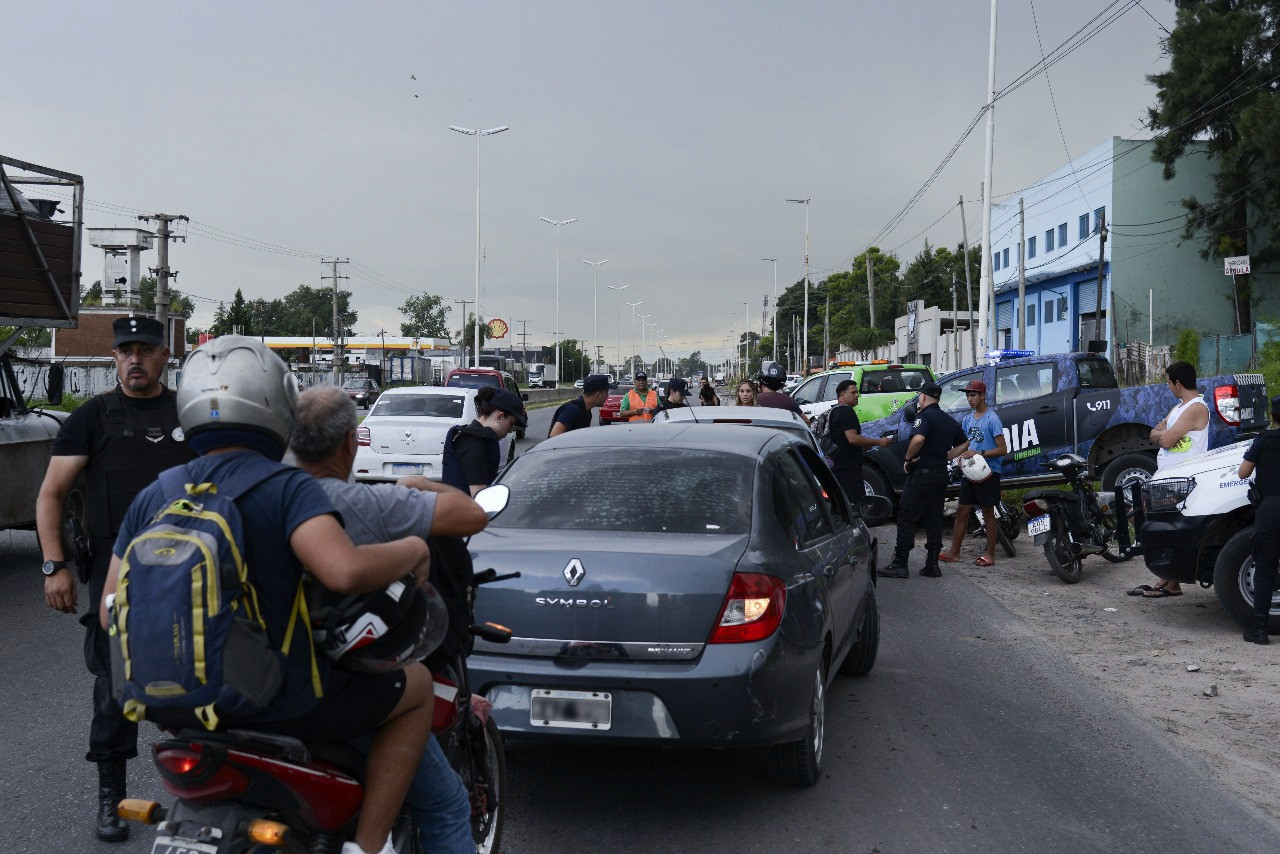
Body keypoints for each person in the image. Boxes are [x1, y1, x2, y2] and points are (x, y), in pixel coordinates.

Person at [98, 336, 434, 854]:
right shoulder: (286, 487)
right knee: (418, 687)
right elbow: (343, 570)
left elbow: (109, 611)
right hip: (278, 699)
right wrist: (413, 548)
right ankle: (368, 846)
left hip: (173, 705)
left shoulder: (157, 492)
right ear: (277, 407)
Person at [292, 385, 489, 852]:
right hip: (340, 688)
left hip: (260, 682)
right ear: (351, 442)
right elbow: (471, 515)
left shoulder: (264, 497)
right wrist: (419, 486)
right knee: (446, 804)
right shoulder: (369, 504)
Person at [35, 316, 197, 842]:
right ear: (114, 357)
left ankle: (207, 796)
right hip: (115, 571)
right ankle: (113, 799)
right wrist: (55, 565)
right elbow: (51, 493)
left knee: (201, 676)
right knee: (113, 688)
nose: (135, 360)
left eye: (145, 350)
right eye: (125, 351)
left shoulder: (190, 414)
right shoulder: (93, 416)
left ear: (164, 356)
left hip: (189, 569)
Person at [1133, 360, 1210, 599]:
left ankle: (1173, 583)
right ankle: (1166, 578)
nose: (1167, 387)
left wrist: (1164, 434)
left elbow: (1164, 440)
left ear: (1178, 383)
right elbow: (1153, 434)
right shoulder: (1179, 408)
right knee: (1161, 527)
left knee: (1170, 528)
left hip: (1182, 478)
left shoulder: (1196, 408)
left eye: (1168, 382)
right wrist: (1163, 433)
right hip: (1167, 476)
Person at [878, 383, 968, 579]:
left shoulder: (924, 417)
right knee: (933, 518)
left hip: (922, 474)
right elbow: (964, 443)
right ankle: (932, 565)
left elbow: (918, 440)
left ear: (925, 397)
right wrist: (945, 457)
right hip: (940, 474)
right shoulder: (948, 419)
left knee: (907, 516)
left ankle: (900, 564)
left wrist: (908, 458)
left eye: (920, 395)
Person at [940, 380, 1007, 567]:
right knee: (962, 510)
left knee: (988, 512)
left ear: (982, 396)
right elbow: (964, 445)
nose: (969, 399)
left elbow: (1003, 449)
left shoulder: (992, 420)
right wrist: (951, 457)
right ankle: (954, 553)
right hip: (970, 472)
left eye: (973, 395)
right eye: (967, 395)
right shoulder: (968, 420)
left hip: (988, 472)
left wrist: (980, 453)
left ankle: (990, 554)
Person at [1237, 395, 1280, 645]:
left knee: (1264, 570)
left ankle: (1259, 630)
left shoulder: (1263, 439)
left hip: (1270, 510)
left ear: (1273, 416)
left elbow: (1243, 472)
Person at [441, 386, 527, 495]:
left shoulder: (475, 438)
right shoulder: (474, 443)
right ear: (499, 416)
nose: (510, 430)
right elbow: (479, 497)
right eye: (511, 424)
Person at [829, 379, 892, 505]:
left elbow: (842, 439)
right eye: (853, 393)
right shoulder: (846, 411)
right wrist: (879, 442)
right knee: (855, 504)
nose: (857, 395)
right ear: (842, 396)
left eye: (857, 392)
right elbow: (852, 438)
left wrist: (863, 445)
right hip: (848, 468)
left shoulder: (835, 411)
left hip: (837, 465)